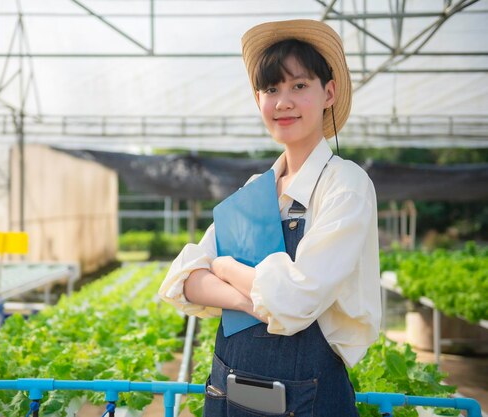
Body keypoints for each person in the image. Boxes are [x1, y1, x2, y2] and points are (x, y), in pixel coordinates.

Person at [158, 20, 381, 416]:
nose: (283, 102)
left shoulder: (344, 185)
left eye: (299, 86)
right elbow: (185, 278)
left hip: (307, 398)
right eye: (271, 89)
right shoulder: (255, 189)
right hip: (229, 391)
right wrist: (254, 301)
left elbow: (295, 303)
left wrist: (225, 267)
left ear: (328, 92)